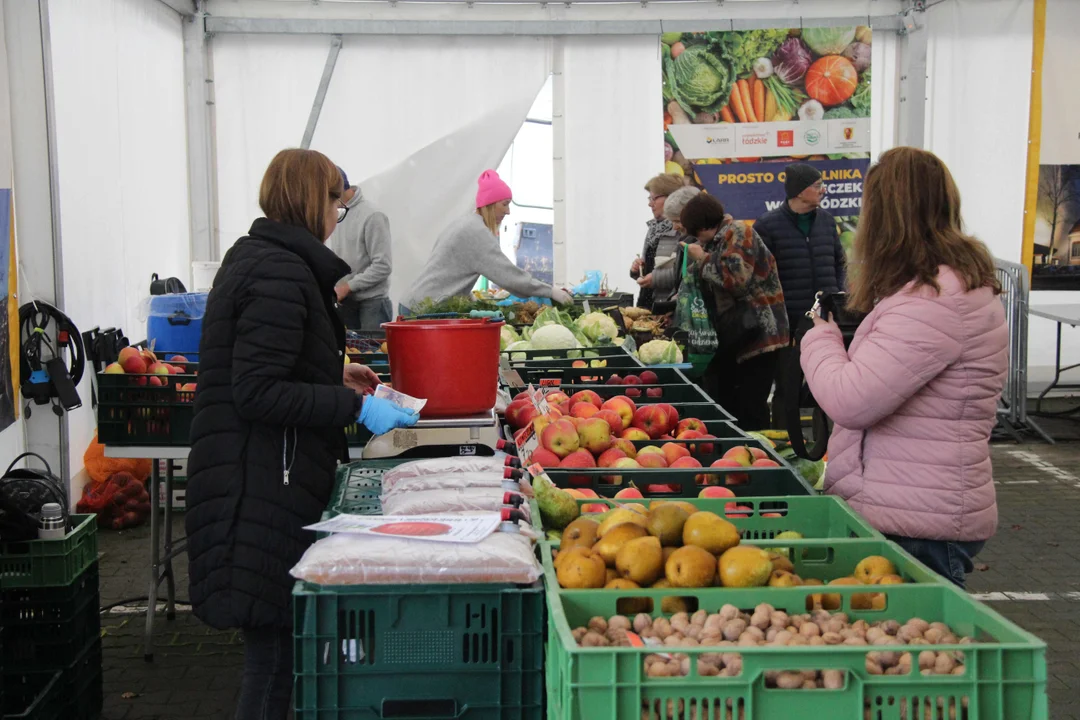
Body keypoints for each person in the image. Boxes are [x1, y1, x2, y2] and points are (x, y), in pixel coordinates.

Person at [185, 148, 420, 720]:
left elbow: (265, 361)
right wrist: (352, 407)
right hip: (259, 485)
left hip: (263, 475)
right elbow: (257, 390)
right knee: (271, 659)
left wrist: (332, 372)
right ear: (312, 202)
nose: (338, 218)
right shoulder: (279, 271)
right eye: (336, 206)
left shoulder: (264, 259)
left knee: (278, 651)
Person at [799, 147, 1006, 588]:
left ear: (886, 216)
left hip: (916, 524)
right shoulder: (944, 287)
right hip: (915, 508)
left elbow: (850, 400)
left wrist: (819, 336)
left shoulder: (933, 301)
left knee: (914, 653)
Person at [680, 193, 788, 429]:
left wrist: (703, 260)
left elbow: (738, 279)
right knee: (732, 404)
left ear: (705, 224)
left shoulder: (739, 232)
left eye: (696, 231)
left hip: (759, 335)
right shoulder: (717, 240)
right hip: (738, 335)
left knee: (751, 407)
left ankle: (760, 459)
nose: (696, 238)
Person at [753, 163, 847, 428]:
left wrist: (837, 293)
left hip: (827, 319)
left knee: (829, 385)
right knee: (787, 387)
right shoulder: (767, 226)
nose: (823, 190)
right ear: (798, 191)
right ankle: (787, 446)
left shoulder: (828, 222)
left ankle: (826, 444)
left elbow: (840, 262)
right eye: (817, 186)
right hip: (788, 323)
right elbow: (760, 276)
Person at [401, 170, 571, 313]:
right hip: (423, 310)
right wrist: (550, 291)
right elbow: (509, 276)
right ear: (490, 204)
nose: (508, 211)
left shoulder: (465, 223)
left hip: (417, 304)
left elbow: (448, 268)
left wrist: (466, 296)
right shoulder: (476, 232)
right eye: (504, 204)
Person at [329, 166, 393, 330]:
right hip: (346, 302)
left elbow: (383, 266)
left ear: (337, 190)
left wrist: (348, 286)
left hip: (373, 305)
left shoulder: (372, 215)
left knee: (373, 352)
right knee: (350, 353)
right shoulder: (336, 213)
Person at [630, 174, 684, 309]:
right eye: (649, 198)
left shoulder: (683, 229)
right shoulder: (653, 229)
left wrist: (655, 278)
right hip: (648, 302)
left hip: (670, 306)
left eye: (654, 198)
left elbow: (686, 271)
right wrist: (638, 270)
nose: (650, 203)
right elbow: (651, 266)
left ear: (671, 197)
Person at [649, 186, 701, 312]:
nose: (675, 227)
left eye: (677, 221)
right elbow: (680, 284)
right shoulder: (685, 243)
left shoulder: (709, 244)